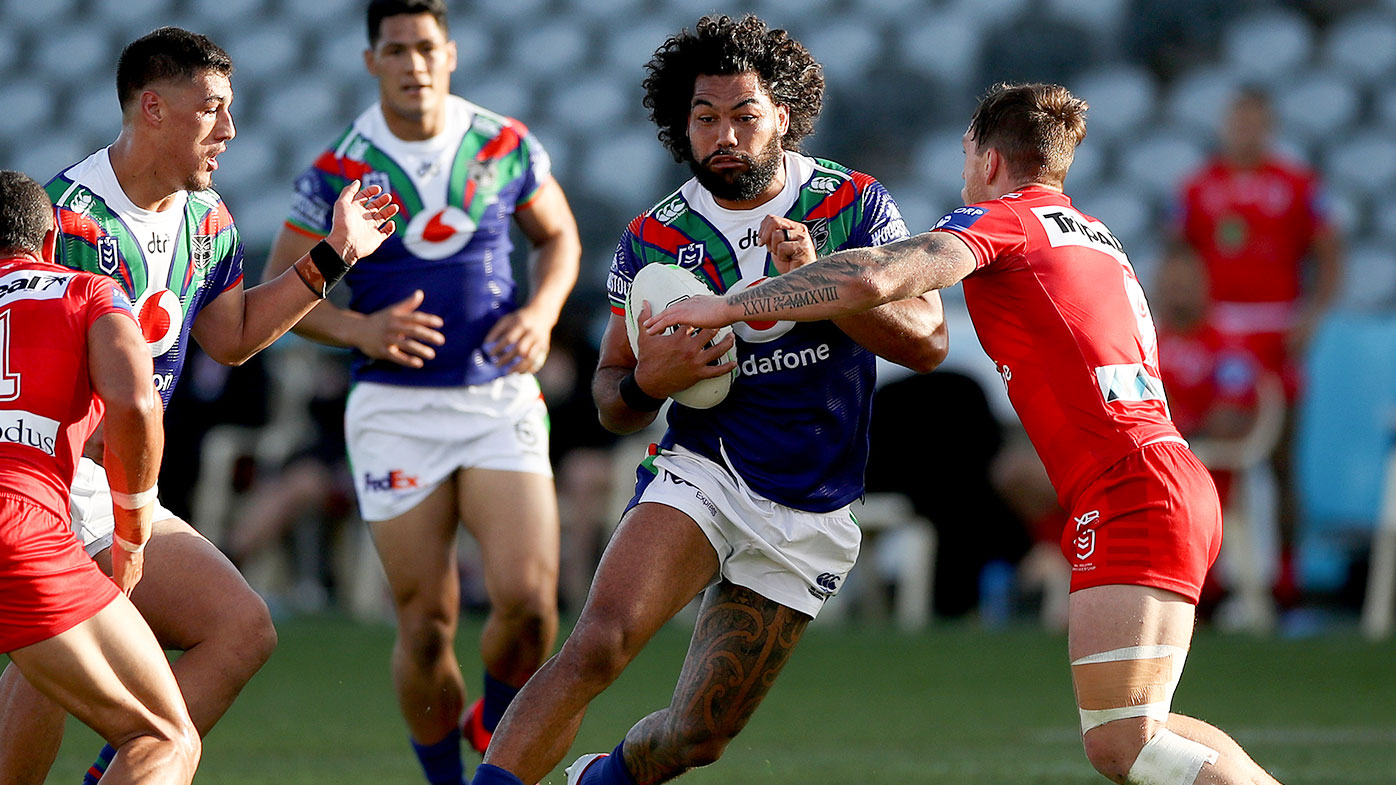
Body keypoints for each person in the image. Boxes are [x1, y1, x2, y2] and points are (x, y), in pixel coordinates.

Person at [653, 82, 1285, 785]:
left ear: (988, 159)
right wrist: (807, 275)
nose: (963, 170)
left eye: (964, 154)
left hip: (1133, 486)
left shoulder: (1005, 219)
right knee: (1142, 732)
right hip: (1162, 473)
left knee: (1127, 742)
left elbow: (880, 274)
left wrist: (728, 304)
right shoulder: (1092, 231)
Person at [471, 15, 947, 785]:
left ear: (783, 117)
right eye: (705, 117)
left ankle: (600, 779)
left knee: (697, 737)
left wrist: (826, 284)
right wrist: (645, 385)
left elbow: (926, 343)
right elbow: (609, 397)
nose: (725, 134)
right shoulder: (653, 239)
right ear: (680, 124)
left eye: (744, 115)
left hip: (813, 503)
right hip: (704, 468)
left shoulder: (852, 203)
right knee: (597, 643)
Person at [0, 27, 398, 785]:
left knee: (237, 628)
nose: (230, 130)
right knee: (85, 666)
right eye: (211, 108)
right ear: (153, 107)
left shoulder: (207, 219)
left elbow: (235, 337)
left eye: (232, 109)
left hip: (109, 480)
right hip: (61, 478)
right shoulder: (65, 218)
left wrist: (334, 253)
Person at [260, 2, 581, 782]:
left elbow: (560, 238)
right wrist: (359, 332)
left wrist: (540, 313)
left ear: (451, 53)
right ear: (372, 62)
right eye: (395, 49)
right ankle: (446, 777)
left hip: (497, 397)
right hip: (395, 412)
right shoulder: (337, 169)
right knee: (427, 622)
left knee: (531, 605)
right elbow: (280, 295)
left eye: (426, 47)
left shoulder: (504, 143)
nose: (413, 63)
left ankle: (496, 726)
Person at [0, 169, 198, 784]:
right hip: (21, 522)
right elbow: (137, 406)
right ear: (53, 240)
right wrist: (133, 532)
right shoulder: (84, 290)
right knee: (162, 736)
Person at [1169, 86, 1343, 604]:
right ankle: (1209, 577)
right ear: (1226, 124)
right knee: (1200, 445)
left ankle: (1289, 580)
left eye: (1255, 122)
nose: (1246, 131)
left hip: (1276, 334)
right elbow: (1178, 258)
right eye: (1238, 121)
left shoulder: (1297, 184)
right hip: (1216, 334)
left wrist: (1313, 317)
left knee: (1281, 456)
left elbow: (1330, 254)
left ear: (1269, 126)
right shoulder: (1197, 188)